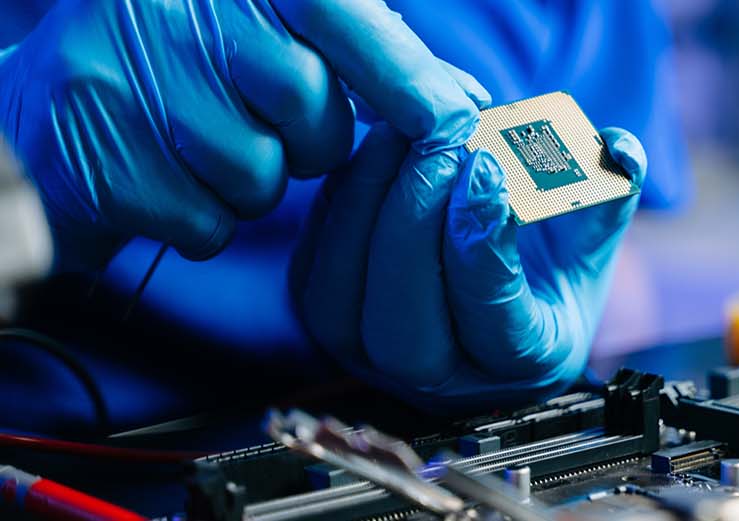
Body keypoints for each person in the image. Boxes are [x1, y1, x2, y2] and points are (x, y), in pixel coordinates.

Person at [0, 0, 688, 429]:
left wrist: (529, 329)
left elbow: (619, 278)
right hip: (71, 445)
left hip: (411, 446)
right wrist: (15, 145)